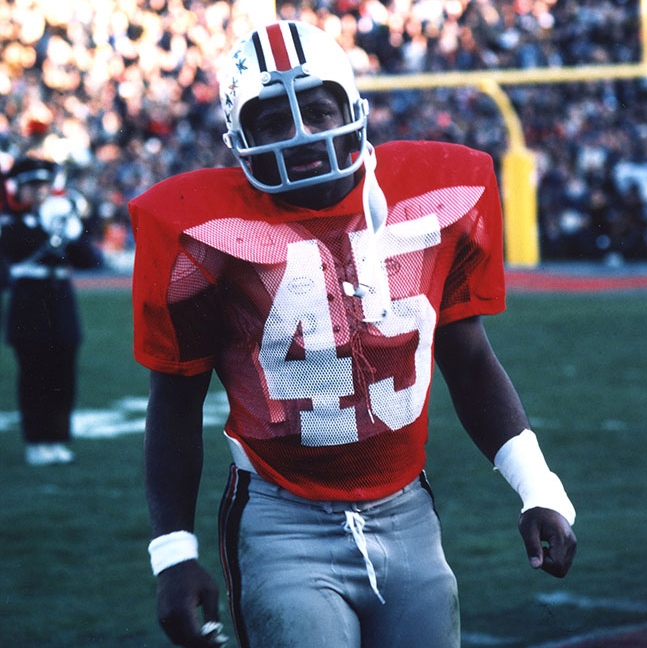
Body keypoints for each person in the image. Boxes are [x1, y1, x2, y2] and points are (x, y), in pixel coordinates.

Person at [130, 21, 577, 648]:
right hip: (281, 518)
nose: (302, 136)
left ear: (352, 107)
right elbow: (174, 405)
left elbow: (470, 360)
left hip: (408, 511)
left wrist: (539, 487)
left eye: (316, 110)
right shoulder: (202, 232)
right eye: (273, 122)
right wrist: (173, 553)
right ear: (239, 138)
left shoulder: (436, 190)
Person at [0, 157, 102, 466]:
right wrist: (50, 230)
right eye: (32, 186)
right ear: (18, 189)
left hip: (60, 300)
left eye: (43, 185)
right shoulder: (11, 224)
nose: (39, 192)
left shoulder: (58, 217)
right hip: (29, 301)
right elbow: (14, 255)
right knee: (35, 373)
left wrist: (72, 231)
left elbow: (89, 260)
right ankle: (36, 440)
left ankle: (57, 438)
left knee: (63, 373)